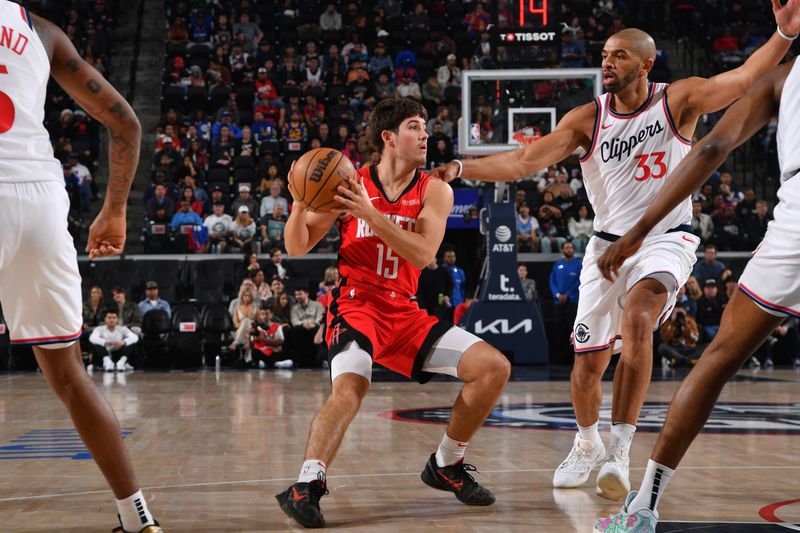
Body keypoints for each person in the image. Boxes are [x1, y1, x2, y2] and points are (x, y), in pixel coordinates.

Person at [431, 14, 799, 500]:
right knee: (587, 365)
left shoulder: (678, 99)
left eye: (618, 55)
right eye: (604, 55)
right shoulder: (588, 117)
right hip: (605, 246)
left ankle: (621, 450)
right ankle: (587, 442)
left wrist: (786, 33)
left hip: (668, 238)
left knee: (641, 316)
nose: (607, 62)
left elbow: (744, 79)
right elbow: (524, 161)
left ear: (646, 63)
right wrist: (461, 167)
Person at [592, 45, 800, 532]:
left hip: (797, 221)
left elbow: (710, 148)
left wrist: (639, 230)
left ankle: (644, 507)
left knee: (718, 360)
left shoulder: (782, 77)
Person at [276, 98, 510, 528]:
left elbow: (422, 255)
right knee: (350, 388)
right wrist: (297, 203)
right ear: (388, 137)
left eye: (425, 127)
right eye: (415, 126)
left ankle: (446, 463)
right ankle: (307, 484)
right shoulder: (348, 182)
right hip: (356, 306)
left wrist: (370, 213)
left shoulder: (435, 189)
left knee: (494, 368)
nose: (425, 135)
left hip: (405, 312)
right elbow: (296, 246)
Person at [0, 5, 162, 531]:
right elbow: (126, 122)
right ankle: (137, 518)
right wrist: (114, 210)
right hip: (43, 202)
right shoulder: (41, 31)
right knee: (69, 376)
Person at [550, 242, 582, 363]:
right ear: (562, 249)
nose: (569, 249)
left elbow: (579, 281)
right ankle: (561, 357)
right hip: (559, 303)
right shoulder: (557, 264)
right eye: (567, 247)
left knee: (573, 330)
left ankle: (574, 356)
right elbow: (552, 281)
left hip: (573, 302)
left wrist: (568, 295)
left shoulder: (579, 264)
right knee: (560, 329)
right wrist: (557, 295)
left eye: (571, 247)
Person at [289, 288, 325, 368]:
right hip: (301, 328)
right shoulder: (294, 308)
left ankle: (317, 361)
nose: (297, 296)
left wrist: (313, 324)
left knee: (317, 330)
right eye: (296, 295)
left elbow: (320, 317)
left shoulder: (317, 305)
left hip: (314, 327)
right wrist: (304, 324)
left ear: (307, 294)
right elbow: (294, 321)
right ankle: (300, 362)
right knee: (296, 330)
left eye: (300, 294)